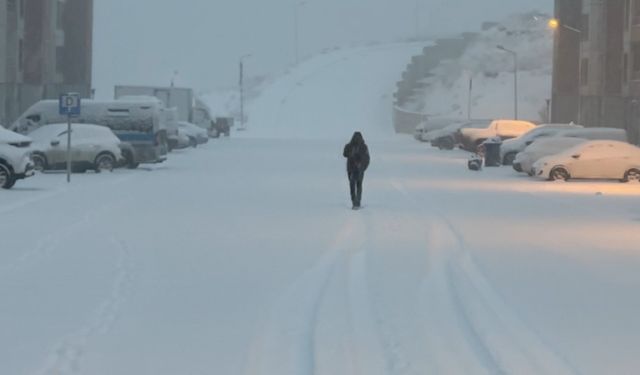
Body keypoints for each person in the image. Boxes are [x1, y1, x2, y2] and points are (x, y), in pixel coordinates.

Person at [343, 132, 370, 209]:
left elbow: (367, 158)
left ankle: (356, 201)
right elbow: (345, 154)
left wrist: (362, 166)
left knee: (354, 185)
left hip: (356, 169)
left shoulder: (362, 147)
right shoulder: (354, 146)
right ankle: (356, 201)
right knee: (358, 185)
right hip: (354, 169)